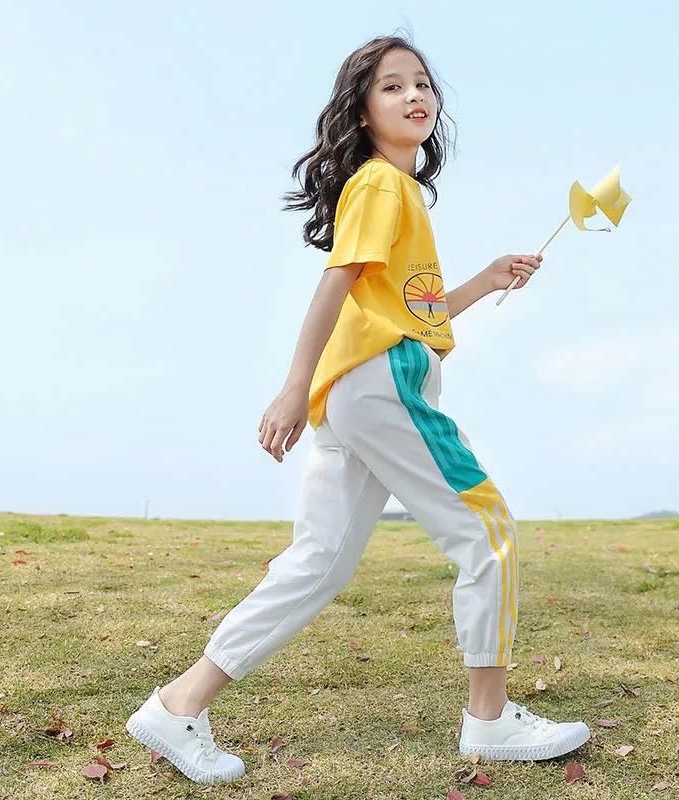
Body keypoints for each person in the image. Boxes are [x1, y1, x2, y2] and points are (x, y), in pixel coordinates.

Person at [125, 33, 590, 786]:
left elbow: (406, 310)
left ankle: (179, 704)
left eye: (422, 84)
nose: (415, 96)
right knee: (489, 533)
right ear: (363, 111)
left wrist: (484, 280)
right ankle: (490, 720)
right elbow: (335, 282)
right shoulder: (381, 186)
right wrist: (291, 385)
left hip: (356, 392)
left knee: (316, 564)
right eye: (392, 86)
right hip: (383, 384)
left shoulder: (393, 192)